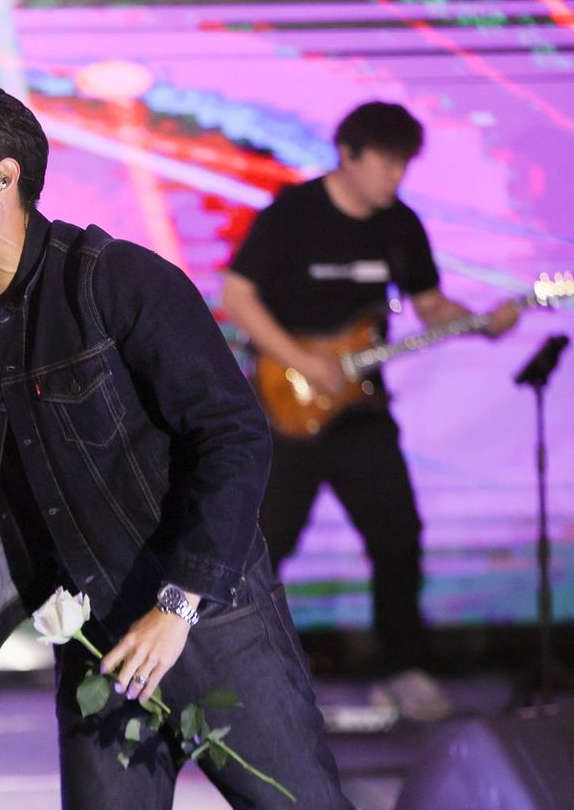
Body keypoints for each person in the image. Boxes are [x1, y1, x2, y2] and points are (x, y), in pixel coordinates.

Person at [0, 79, 349, 807]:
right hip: (95, 635)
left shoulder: (115, 280)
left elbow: (233, 434)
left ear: (2, 178)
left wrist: (178, 605)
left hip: (207, 612)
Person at [221, 101, 518, 721]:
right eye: (386, 162)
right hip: (286, 409)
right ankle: (242, 674)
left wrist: (483, 323)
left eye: (404, 165)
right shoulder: (293, 214)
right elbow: (238, 295)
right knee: (267, 544)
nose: (395, 177)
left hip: (362, 410)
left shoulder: (400, 224)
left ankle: (402, 669)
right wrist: (303, 362)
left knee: (398, 535)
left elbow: (430, 305)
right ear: (348, 155)